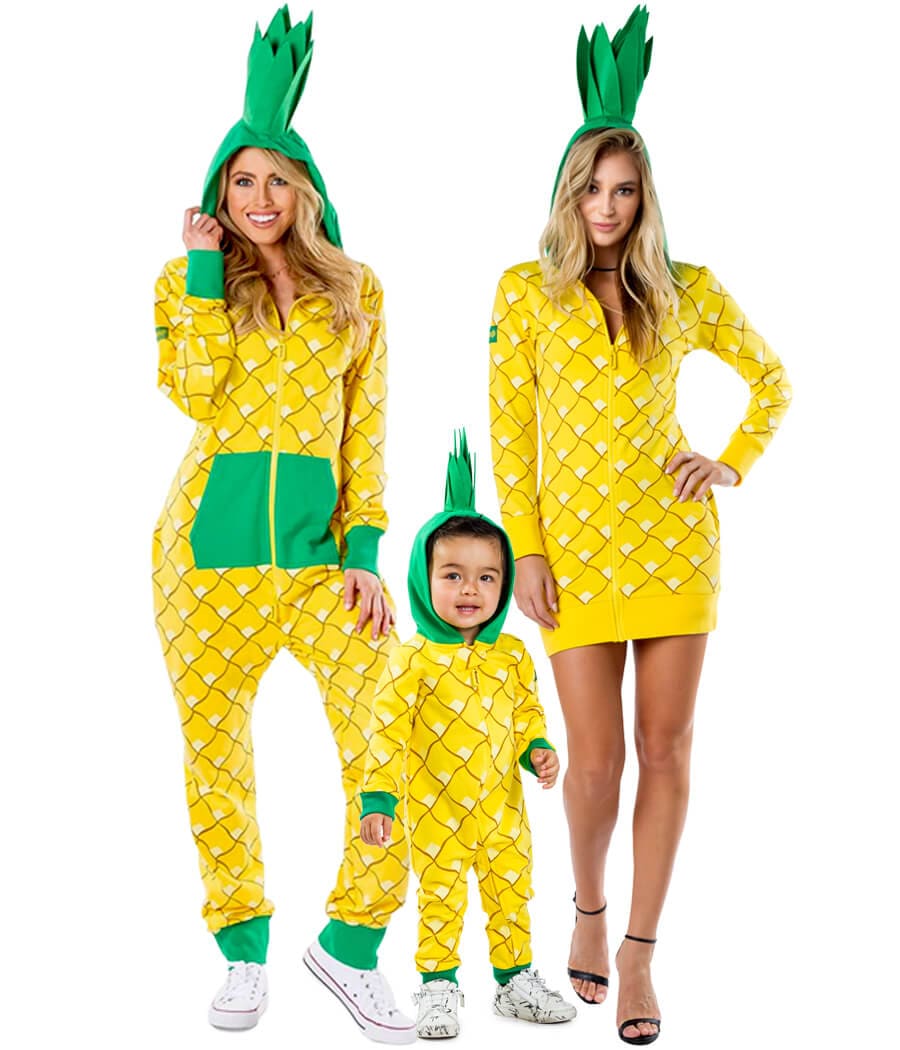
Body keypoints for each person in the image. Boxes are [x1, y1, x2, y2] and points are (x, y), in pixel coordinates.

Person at [488, 7, 791, 1045]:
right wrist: (526, 549)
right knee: (595, 761)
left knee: (665, 749)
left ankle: (641, 953)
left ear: (644, 197)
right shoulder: (524, 295)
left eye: (624, 189)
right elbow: (511, 435)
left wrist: (730, 460)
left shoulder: (685, 291)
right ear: (567, 193)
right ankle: (587, 906)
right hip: (570, 556)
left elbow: (772, 380)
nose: (607, 206)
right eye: (592, 188)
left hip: (673, 546)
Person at [152, 9, 414, 1042]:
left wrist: (363, 553)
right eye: (240, 183)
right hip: (202, 560)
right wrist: (202, 270)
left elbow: (368, 436)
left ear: (307, 189)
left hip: (317, 565)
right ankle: (242, 952)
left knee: (389, 726)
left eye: (276, 181)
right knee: (214, 755)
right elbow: (193, 393)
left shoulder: (358, 292)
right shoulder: (190, 284)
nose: (259, 199)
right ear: (219, 196)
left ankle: (351, 942)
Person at [359, 433, 578, 1039]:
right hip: (437, 812)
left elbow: (527, 713)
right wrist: (378, 800)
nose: (469, 590)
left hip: (503, 810)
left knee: (513, 892)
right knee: (441, 899)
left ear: (503, 584)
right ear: (422, 576)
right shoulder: (412, 660)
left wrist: (539, 751)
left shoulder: (512, 655)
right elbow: (385, 734)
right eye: (452, 575)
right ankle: (437, 987)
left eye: (486, 577)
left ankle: (515, 982)